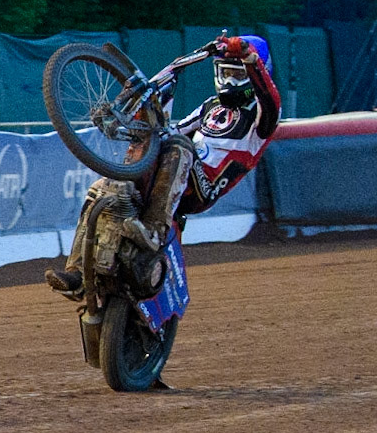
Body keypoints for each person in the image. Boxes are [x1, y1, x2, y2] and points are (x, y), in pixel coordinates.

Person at [45, 34, 282, 297]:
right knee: (103, 187)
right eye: (224, 72)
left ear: (255, 72)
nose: (228, 81)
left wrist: (247, 55)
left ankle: (155, 230)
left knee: (179, 146)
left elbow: (270, 98)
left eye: (237, 74)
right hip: (176, 172)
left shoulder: (263, 118)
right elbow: (172, 129)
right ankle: (78, 274)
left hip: (203, 187)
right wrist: (133, 126)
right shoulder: (211, 107)